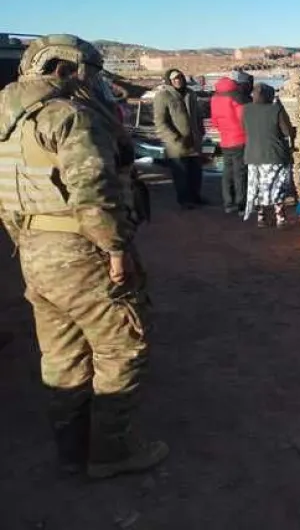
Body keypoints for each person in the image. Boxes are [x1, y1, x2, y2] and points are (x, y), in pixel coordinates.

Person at [0, 34, 167, 478]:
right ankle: (111, 452)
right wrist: (115, 248)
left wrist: (26, 238)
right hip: (80, 250)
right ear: (66, 69)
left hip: (33, 250)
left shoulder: (8, 118)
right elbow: (92, 192)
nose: (94, 83)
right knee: (123, 347)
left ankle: (72, 449)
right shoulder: (68, 115)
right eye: (90, 74)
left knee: (62, 355)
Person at [243, 83, 295, 228]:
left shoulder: (246, 109)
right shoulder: (276, 109)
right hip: (274, 154)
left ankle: (261, 217)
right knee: (277, 185)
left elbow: (244, 127)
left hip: (253, 154)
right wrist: (281, 108)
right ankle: (280, 217)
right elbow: (287, 131)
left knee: (258, 186)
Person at [153, 69, 204, 209]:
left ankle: (195, 197)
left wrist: (200, 131)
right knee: (181, 174)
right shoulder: (163, 96)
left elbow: (198, 115)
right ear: (169, 81)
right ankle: (185, 200)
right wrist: (174, 138)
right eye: (175, 78)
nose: (178, 80)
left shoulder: (190, 94)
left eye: (180, 77)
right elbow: (160, 122)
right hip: (177, 143)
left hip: (194, 140)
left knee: (196, 172)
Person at [209, 76, 248, 215]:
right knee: (240, 172)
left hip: (225, 140)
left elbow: (214, 121)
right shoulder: (236, 97)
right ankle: (241, 203)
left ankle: (228, 202)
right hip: (240, 138)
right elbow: (243, 119)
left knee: (227, 172)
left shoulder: (215, 99)